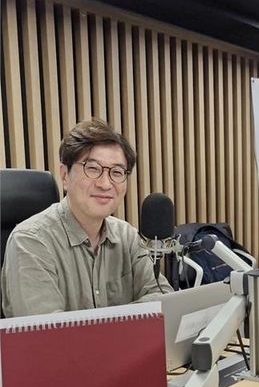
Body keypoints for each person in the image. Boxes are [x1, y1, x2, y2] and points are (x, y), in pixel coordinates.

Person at [1, 119, 173, 317]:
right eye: (92, 169)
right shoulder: (30, 241)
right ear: (65, 175)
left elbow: (163, 300)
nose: (105, 184)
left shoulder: (128, 236)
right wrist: (134, 318)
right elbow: (46, 331)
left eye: (117, 172)